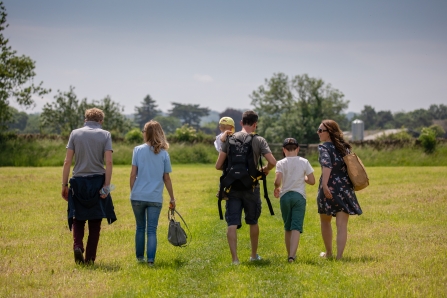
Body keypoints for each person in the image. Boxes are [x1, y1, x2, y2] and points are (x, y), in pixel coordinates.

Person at [215, 110, 276, 265]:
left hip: (232, 187)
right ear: (255, 124)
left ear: (241, 123)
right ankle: (253, 255)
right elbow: (273, 161)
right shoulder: (259, 140)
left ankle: (235, 259)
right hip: (251, 186)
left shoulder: (229, 139)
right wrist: (266, 169)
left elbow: (218, 165)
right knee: (253, 221)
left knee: (232, 223)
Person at [61, 107, 117, 265]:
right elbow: (109, 162)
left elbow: (67, 161)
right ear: (101, 121)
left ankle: (77, 245)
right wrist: (106, 186)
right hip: (97, 181)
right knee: (95, 221)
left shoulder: (75, 133)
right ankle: (90, 258)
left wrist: (64, 184)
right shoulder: (105, 134)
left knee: (78, 218)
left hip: (78, 181)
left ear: (85, 119)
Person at [129, 120, 176, 266]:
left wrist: (134, 192)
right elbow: (166, 178)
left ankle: (139, 258)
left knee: (140, 227)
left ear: (146, 133)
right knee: (151, 230)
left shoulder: (137, 150)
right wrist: (172, 198)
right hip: (155, 197)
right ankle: (150, 260)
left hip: (137, 196)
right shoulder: (163, 154)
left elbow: (132, 175)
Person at [316, 119, 363, 260]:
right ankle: (339, 257)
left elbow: (327, 166)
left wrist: (325, 185)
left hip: (329, 187)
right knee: (342, 225)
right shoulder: (345, 147)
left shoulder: (324, 148)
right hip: (345, 188)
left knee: (325, 221)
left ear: (328, 133)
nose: (318, 133)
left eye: (320, 130)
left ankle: (329, 253)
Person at [274, 138, 315, 263]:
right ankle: (292, 256)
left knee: (287, 227)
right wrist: (304, 178)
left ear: (284, 150)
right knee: (296, 226)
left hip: (285, 197)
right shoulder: (304, 161)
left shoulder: (280, 163)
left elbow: (277, 181)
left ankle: (289, 254)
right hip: (299, 196)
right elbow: (312, 181)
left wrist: (277, 188)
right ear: (298, 149)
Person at [214, 116, 235, 199]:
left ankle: (223, 190)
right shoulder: (223, 135)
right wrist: (226, 133)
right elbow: (223, 140)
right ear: (232, 127)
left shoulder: (220, 135)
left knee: (225, 174)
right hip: (225, 157)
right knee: (225, 175)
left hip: (224, 156)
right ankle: (221, 191)